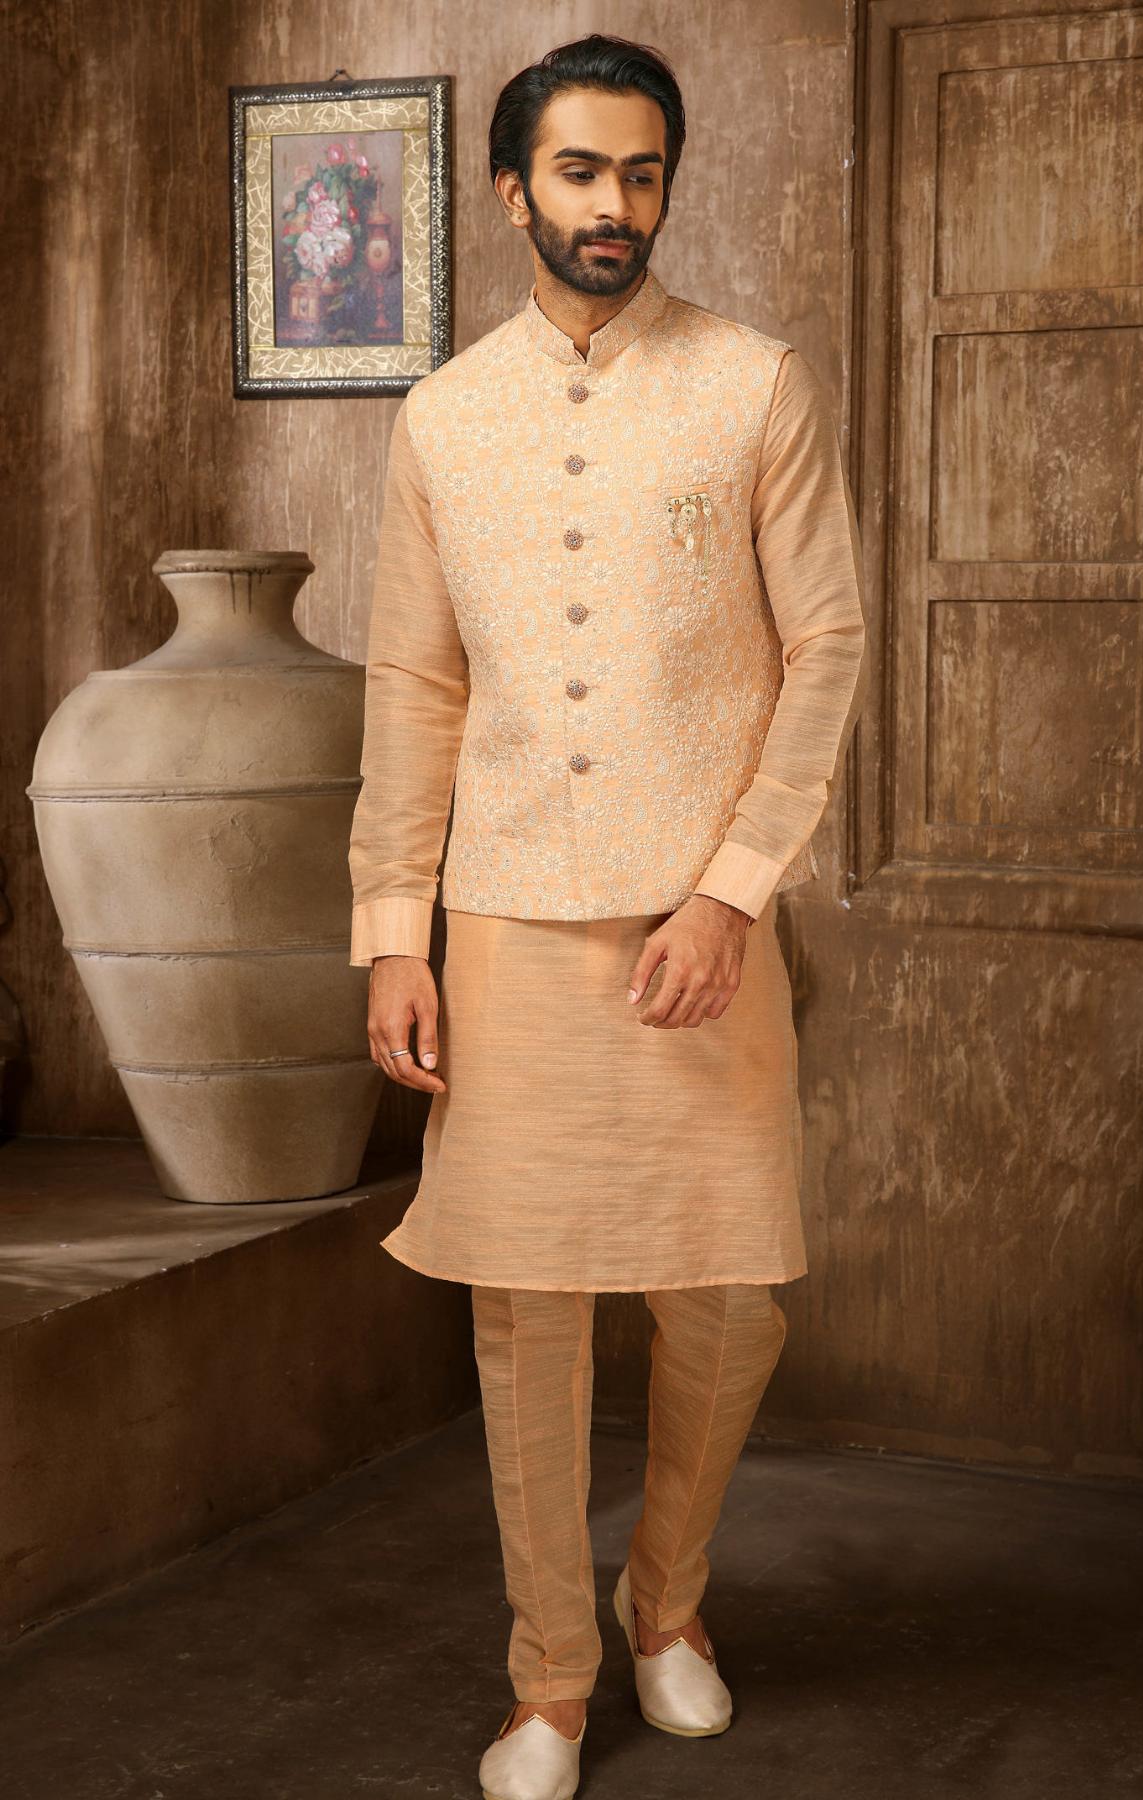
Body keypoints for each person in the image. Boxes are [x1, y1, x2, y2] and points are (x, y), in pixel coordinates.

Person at [347, 32, 870, 1800]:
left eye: (642, 172)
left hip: (699, 923)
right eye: (580, 171)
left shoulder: (755, 385)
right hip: (504, 922)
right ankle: (552, 1683)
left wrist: (731, 894)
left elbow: (828, 650)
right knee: (529, 1317)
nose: (615, 205)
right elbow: (415, 684)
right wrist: (394, 931)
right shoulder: (443, 416)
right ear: (515, 190)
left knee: (725, 1302)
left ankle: (668, 1603)